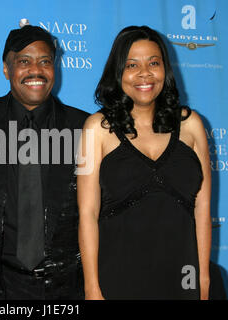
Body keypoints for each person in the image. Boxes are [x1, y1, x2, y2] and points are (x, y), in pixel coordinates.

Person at [77, 26, 211, 300]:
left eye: (153, 63)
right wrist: (92, 288)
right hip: (118, 278)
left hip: (181, 277)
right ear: (118, 72)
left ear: (165, 69)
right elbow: (87, 214)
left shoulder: (191, 124)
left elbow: (203, 208)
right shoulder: (96, 129)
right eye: (132, 65)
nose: (145, 74)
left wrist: (204, 278)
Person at [0, 24, 89, 300]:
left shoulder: (85, 128)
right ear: (6, 68)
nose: (36, 70)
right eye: (24, 61)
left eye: (45, 61)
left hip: (67, 285)